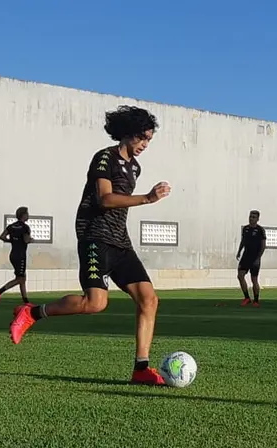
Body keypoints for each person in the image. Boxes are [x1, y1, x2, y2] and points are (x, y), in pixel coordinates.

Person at [9, 105, 171, 386]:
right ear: (127, 134)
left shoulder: (135, 166)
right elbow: (105, 199)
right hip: (94, 236)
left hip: (120, 240)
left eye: (149, 140)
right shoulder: (104, 158)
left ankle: (141, 368)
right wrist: (147, 198)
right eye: (142, 138)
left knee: (149, 299)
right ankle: (32, 312)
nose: (145, 145)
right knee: (95, 303)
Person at [0, 207, 32, 306]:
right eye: (27, 213)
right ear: (23, 215)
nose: (28, 215)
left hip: (13, 254)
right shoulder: (25, 227)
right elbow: (26, 240)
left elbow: (2, 236)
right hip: (21, 255)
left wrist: (12, 241)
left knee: (22, 277)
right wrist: (31, 239)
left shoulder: (11, 226)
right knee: (20, 279)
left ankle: (26, 301)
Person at [236, 210, 266, 307]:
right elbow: (243, 241)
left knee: (254, 279)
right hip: (245, 256)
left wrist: (258, 258)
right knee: (240, 276)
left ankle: (256, 300)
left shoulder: (260, 230)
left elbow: (263, 245)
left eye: (253, 217)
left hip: (254, 258)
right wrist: (239, 251)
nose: (251, 218)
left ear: (257, 219)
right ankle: (247, 298)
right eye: (250, 216)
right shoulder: (245, 229)